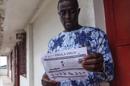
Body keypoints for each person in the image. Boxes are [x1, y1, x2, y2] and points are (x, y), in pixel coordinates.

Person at [42, 0, 114, 86]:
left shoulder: (96, 35)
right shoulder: (53, 43)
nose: (67, 16)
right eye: (63, 13)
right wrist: (45, 81)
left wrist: (102, 67)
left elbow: (110, 75)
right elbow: (51, 75)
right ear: (59, 14)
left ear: (78, 11)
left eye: (72, 11)